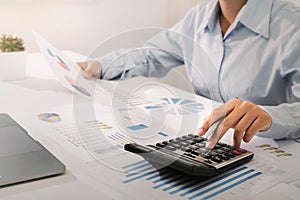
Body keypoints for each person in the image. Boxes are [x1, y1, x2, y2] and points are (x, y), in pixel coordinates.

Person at [77, 0, 300, 149]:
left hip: (270, 152)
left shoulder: (292, 25)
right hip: (206, 147)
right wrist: (101, 66)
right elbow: (152, 55)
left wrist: (269, 117)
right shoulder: (198, 17)